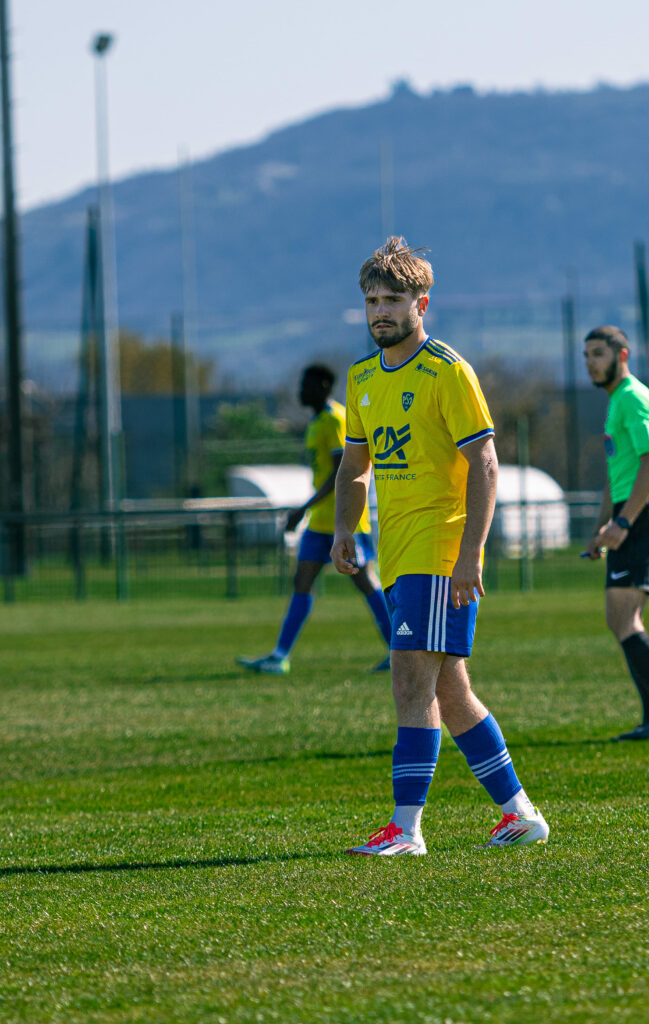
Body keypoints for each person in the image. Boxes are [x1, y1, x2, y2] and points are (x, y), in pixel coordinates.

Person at [331, 237, 549, 855]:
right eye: (372, 301)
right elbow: (355, 466)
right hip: (399, 554)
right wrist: (345, 529)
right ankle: (520, 814)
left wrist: (470, 554)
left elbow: (485, 461)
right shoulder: (362, 377)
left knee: (410, 683)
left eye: (392, 301)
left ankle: (406, 829)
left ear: (420, 304)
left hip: (438, 550)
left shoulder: (447, 371)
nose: (380, 312)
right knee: (450, 691)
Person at [237, 363, 392, 675]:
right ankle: (279, 656)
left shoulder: (335, 419)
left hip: (346, 520)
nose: (300, 391)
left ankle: (400, 651)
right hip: (321, 521)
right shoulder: (316, 421)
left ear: (322, 386)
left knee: (366, 582)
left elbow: (341, 472)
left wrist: (302, 508)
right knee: (302, 582)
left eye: (305, 385)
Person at [582, 325, 649, 740]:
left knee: (623, 616)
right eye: (587, 355)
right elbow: (617, 477)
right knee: (621, 617)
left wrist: (624, 522)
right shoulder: (617, 402)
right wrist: (602, 528)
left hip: (644, 513)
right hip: (632, 512)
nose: (591, 362)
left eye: (598, 354)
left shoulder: (632, 397)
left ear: (622, 355)